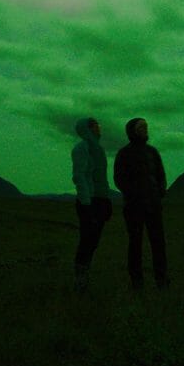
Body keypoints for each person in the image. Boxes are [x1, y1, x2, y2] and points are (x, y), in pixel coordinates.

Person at [113, 117, 168, 290]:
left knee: (158, 243)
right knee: (135, 243)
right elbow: (119, 179)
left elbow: (160, 175)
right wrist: (133, 195)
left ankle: (162, 280)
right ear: (132, 131)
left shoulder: (152, 152)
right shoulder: (124, 153)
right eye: (141, 127)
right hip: (134, 206)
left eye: (146, 126)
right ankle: (137, 282)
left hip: (153, 204)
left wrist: (159, 193)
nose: (145, 129)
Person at [71, 117, 112, 292]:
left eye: (98, 124)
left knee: (94, 241)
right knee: (87, 240)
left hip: (100, 200)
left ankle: (84, 273)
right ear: (87, 129)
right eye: (95, 125)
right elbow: (79, 176)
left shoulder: (98, 149)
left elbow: (101, 178)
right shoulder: (82, 148)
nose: (99, 127)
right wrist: (86, 204)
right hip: (89, 201)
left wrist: (106, 200)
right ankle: (80, 277)